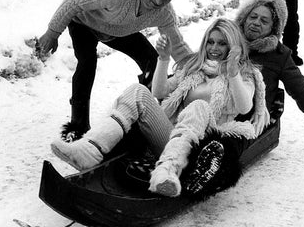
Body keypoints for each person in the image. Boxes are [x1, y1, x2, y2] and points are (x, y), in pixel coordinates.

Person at [50, 18, 270, 198]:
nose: (214, 48)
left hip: (200, 148)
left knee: (199, 107)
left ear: (232, 46)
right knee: (138, 91)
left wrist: (232, 72)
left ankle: (168, 172)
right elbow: (159, 92)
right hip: (170, 136)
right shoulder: (194, 68)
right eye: (211, 42)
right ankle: (90, 150)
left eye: (222, 43)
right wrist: (163, 59)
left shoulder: (245, 74)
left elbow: (245, 106)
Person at [183, 0, 304, 198]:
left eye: (264, 21)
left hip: (249, 117)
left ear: (272, 29)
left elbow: (303, 91)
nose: (256, 23)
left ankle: (205, 171)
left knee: (226, 142)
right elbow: (200, 64)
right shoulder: (227, 40)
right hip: (212, 106)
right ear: (245, 17)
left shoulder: (278, 56)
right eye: (253, 17)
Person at [38, 0, 192, 141]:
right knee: (87, 62)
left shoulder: (164, 13)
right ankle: (78, 126)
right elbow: (72, 1)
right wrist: (53, 33)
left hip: (119, 31)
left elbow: (177, 46)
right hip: (84, 24)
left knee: (153, 60)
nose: (159, 2)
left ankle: (158, 116)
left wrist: (199, 68)